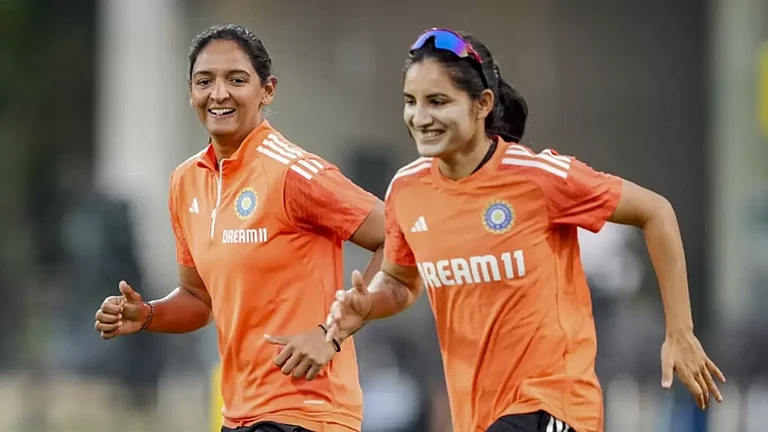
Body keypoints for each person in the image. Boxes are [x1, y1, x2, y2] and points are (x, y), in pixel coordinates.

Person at [325, 27, 725, 432]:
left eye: (438, 101)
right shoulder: (406, 190)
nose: (420, 117)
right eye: (411, 102)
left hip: (556, 403)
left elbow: (655, 211)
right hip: (478, 415)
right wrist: (368, 306)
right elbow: (400, 282)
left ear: (482, 104)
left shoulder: (539, 178)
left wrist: (680, 332)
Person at [93, 24, 385, 432]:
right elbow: (199, 298)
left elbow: (399, 238)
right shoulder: (186, 181)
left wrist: (332, 333)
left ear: (267, 91)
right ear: (190, 92)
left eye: (236, 79)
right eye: (204, 81)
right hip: (240, 413)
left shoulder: (294, 172)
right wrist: (147, 315)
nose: (219, 94)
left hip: (308, 412)